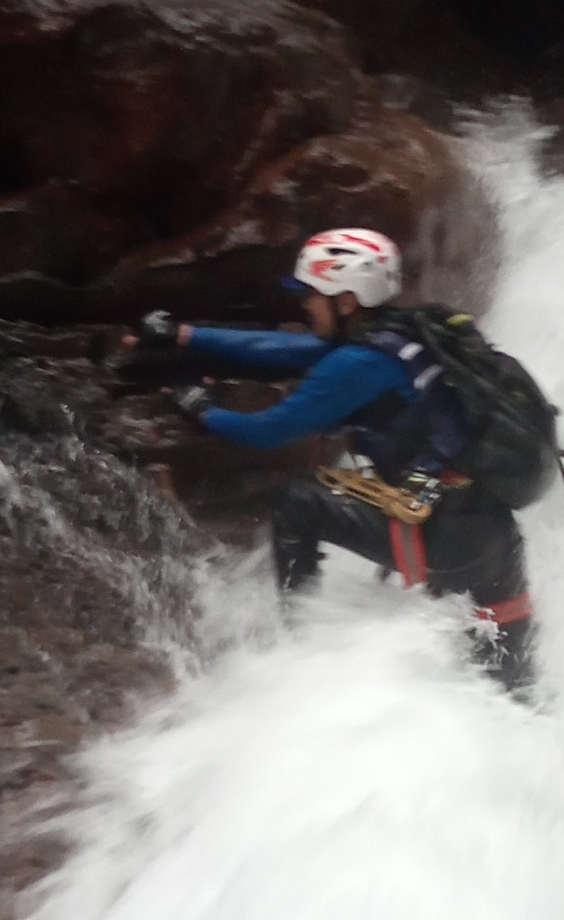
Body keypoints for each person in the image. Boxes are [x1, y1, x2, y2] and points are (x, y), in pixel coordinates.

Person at [129, 228, 536, 692]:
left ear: (346, 301)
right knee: (510, 679)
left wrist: (201, 409)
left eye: (313, 295)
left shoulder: (360, 363)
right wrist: (187, 336)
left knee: (296, 502)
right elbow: (286, 351)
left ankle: (300, 650)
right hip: (493, 534)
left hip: (442, 538)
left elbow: (268, 432)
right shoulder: (405, 334)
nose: (304, 305)